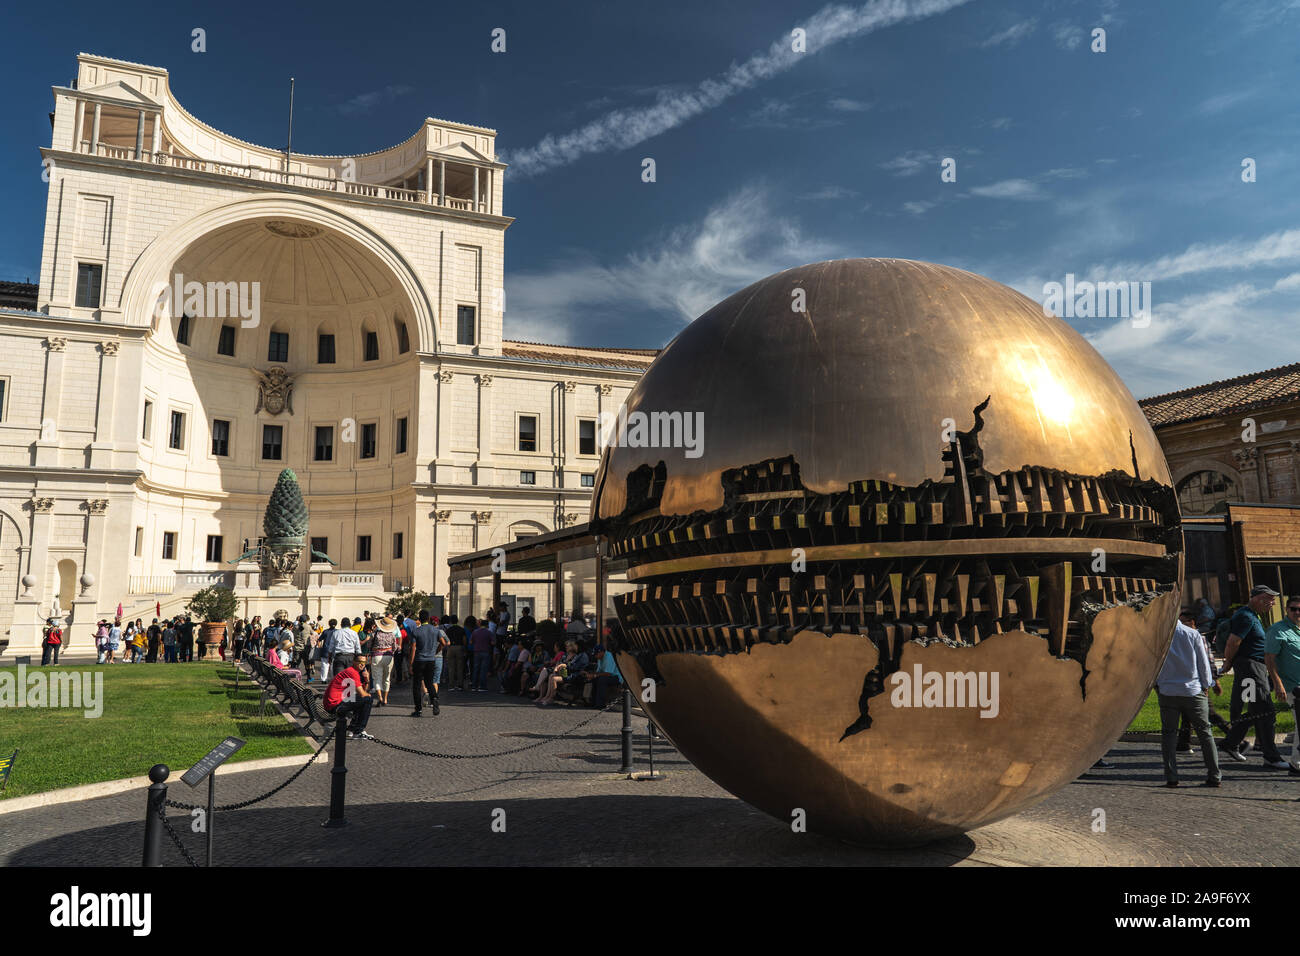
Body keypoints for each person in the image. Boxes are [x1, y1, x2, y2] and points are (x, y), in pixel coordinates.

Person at [1220, 585, 1291, 769]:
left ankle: (1230, 743)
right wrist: (1227, 663)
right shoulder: (1246, 616)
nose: (1273, 603)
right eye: (1269, 599)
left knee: (1256, 710)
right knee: (1266, 712)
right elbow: (1233, 642)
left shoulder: (1252, 615)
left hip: (1253, 669)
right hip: (1250, 670)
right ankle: (1271, 757)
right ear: (1257, 598)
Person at [1156, 609, 1222, 787]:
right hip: (1193, 690)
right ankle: (1214, 775)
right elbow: (1203, 663)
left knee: (1169, 735)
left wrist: (1158, 684)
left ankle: (1171, 777)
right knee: (1205, 734)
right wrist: (1207, 685)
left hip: (1168, 691)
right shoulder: (1193, 634)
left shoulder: (1157, 637)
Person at [1264, 595, 1300, 773]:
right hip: (1293, 687)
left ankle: (1296, 762)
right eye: (1293, 609)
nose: (1297, 612)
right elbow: (1269, 659)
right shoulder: (1277, 630)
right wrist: (1278, 684)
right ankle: (1296, 764)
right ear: (1286, 610)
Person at [323, 654, 375, 740]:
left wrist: (366, 679)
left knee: (361, 700)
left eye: (364, 662)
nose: (362, 664)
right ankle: (358, 731)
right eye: (360, 662)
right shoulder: (352, 673)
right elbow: (363, 694)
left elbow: (362, 692)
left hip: (332, 704)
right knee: (368, 699)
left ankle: (352, 729)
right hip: (335, 706)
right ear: (354, 662)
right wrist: (367, 694)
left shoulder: (351, 671)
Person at [408, 609, 447, 716]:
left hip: (419, 660)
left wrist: (410, 664)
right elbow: (444, 643)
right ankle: (434, 699)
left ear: (419, 619)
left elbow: (413, 648)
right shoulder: (435, 630)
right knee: (429, 683)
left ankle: (418, 709)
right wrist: (435, 651)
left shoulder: (416, 631)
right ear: (428, 619)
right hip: (431, 660)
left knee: (416, 685)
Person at [367, 616, 400, 707]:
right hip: (388, 656)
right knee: (386, 678)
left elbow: (369, 645)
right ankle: (385, 699)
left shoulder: (375, 634)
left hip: (377, 656)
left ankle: (380, 697)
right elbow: (395, 647)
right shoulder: (392, 635)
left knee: (377, 678)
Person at [442, 615, 467, 691]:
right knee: (460, 667)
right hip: (459, 647)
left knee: (451, 667)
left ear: (450, 621)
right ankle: (460, 685)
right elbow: (464, 640)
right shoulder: (461, 629)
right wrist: (465, 649)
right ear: (457, 621)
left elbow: (446, 640)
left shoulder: (448, 630)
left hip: (451, 648)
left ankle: (451, 685)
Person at [469, 616, 495, 692]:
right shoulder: (489, 632)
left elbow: (470, 642)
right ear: (487, 625)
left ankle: (474, 686)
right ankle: (482, 686)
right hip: (486, 652)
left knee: (476, 669)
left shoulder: (475, 632)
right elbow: (493, 642)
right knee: (483, 669)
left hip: (476, 652)